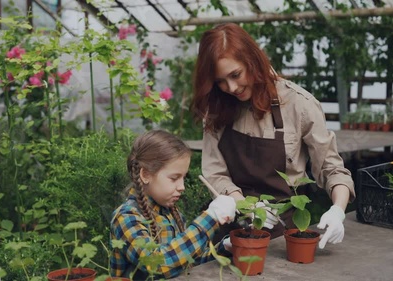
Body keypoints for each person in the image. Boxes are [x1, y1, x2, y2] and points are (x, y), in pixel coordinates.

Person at [191, 23, 355, 249]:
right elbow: (214, 172)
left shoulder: (299, 105)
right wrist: (246, 207)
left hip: (282, 235)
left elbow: (331, 168)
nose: (231, 87)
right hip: (231, 232)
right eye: (220, 81)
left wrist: (338, 210)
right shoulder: (217, 108)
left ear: (252, 61)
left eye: (236, 75)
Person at [110, 130, 237, 279]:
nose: (182, 186)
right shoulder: (126, 218)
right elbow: (157, 265)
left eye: (183, 177)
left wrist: (225, 247)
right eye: (174, 178)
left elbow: (187, 261)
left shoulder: (171, 213)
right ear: (145, 175)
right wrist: (210, 217)